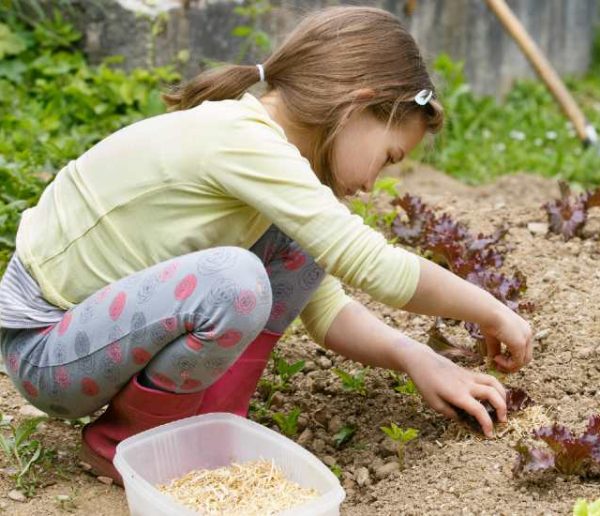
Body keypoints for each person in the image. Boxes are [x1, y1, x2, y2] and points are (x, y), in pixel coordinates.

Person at [0, 6, 532, 486]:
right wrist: (492, 310)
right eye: (389, 156)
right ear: (357, 106)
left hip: (91, 340)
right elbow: (374, 267)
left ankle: (210, 432)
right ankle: (123, 445)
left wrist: (417, 358)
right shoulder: (243, 140)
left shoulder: (268, 153)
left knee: (298, 251)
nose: (375, 182)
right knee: (234, 282)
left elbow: (323, 307)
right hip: (48, 349)